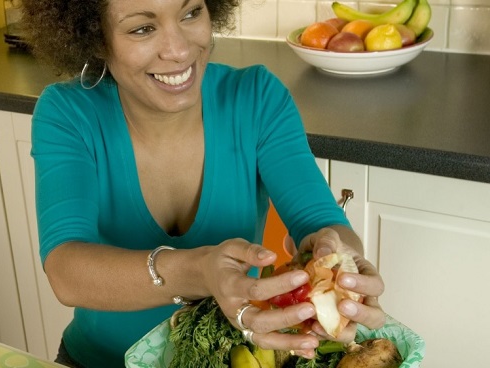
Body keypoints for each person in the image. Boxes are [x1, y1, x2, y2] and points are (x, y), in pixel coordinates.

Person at [22, 0, 387, 367]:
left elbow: (322, 221)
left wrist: (344, 264)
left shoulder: (256, 97)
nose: (179, 50)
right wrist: (198, 271)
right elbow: (66, 271)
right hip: (98, 360)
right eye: (142, 29)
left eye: (191, 13)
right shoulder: (68, 113)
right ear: (96, 38)